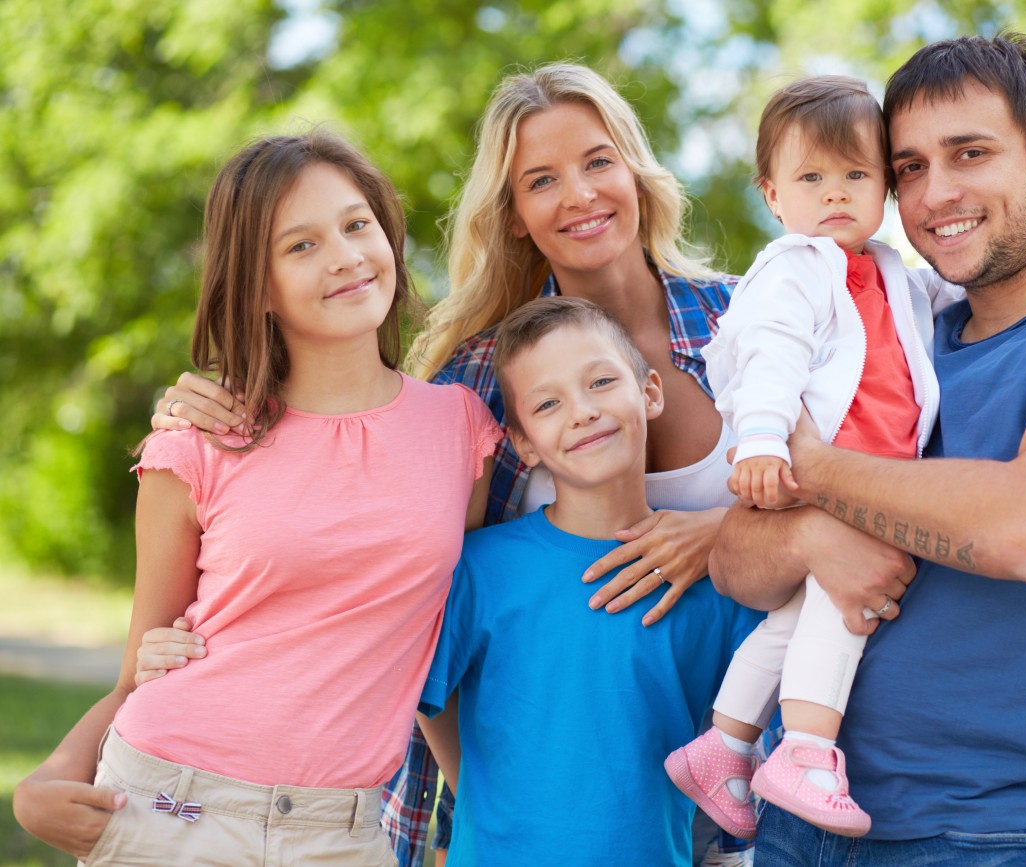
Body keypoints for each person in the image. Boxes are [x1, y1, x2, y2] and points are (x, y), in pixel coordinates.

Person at [143, 63, 752, 865]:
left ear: (635, 170)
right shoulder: (475, 384)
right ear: (515, 216)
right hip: (528, 812)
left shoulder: (751, 324)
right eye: (542, 180)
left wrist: (719, 533)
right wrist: (218, 407)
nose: (579, 194)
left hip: (728, 785)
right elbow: (401, 566)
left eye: (598, 161)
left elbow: (847, 495)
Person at [709, 32, 1026, 865]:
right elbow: (736, 558)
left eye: (970, 153)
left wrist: (816, 469)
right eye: (908, 167)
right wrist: (805, 533)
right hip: (797, 814)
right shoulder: (893, 335)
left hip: (984, 829)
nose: (935, 192)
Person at [12, 131, 499, 863]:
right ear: (259, 287)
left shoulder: (462, 428)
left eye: (356, 224)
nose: (343, 256)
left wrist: (486, 812)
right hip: (170, 807)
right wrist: (45, 779)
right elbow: (140, 667)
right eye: (299, 246)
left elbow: (442, 644)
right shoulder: (198, 442)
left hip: (343, 831)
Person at [665, 75, 962, 839]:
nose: (835, 194)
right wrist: (762, 439)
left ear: (885, 189)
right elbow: (769, 356)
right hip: (820, 466)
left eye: (856, 175)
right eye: (810, 178)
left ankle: (724, 744)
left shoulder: (888, 269)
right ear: (772, 194)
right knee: (844, 601)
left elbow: (942, 300)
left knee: (795, 618)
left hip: (866, 470)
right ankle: (805, 749)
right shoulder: (791, 267)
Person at [413, 295, 760, 863]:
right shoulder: (479, 569)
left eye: (600, 382)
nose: (581, 411)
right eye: (548, 403)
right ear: (523, 443)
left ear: (649, 392)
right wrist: (479, 798)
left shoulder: (713, 582)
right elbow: (430, 702)